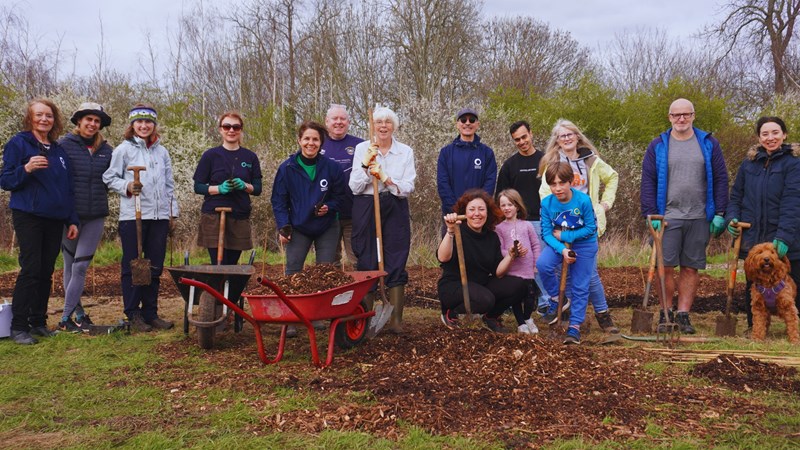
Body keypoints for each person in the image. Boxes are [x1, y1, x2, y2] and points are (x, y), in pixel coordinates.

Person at [641, 98, 729, 334]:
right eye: (676, 115)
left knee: (690, 268)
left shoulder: (708, 143)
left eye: (686, 114)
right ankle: (665, 313)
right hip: (667, 217)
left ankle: (683, 315)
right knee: (665, 268)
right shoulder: (658, 145)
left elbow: (721, 178)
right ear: (669, 117)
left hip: (699, 216)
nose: (681, 118)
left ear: (693, 115)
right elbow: (648, 181)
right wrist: (651, 214)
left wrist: (720, 212)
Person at [1, 99, 79, 345]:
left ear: (54, 120)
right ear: (30, 118)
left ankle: (38, 322)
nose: (44, 119)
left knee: (46, 270)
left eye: (49, 115)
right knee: (31, 268)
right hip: (29, 215)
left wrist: (72, 219)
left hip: (54, 217)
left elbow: (67, 189)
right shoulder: (19, 143)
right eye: (39, 115)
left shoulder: (58, 150)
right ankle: (18, 326)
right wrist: (26, 168)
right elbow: (6, 180)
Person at [103, 104, 179, 332]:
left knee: (154, 266)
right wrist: (127, 185)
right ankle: (133, 313)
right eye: (139, 122)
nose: (144, 126)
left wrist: (172, 212)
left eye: (148, 122)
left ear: (154, 125)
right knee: (134, 265)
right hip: (133, 215)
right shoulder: (123, 150)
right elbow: (109, 177)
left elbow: (169, 184)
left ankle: (150, 313)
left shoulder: (162, 152)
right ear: (132, 124)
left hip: (159, 216)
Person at [539, 119, 620, 334]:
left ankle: (602, 315)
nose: (566, 139)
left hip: (586, 223)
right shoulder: (553, 162)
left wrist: (604, 204)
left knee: (588, 273)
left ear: (577, 136)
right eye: (562, 136)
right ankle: (572, 316)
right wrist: (557, 215)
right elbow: (545, 193)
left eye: (570, 134)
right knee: (564, 271)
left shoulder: (591, 160)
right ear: (557, 140)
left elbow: (612, 177)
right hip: (562, 225)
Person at [726, 116, 800, 329]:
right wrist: (732, 218)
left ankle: (794, 330)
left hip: (787, 236)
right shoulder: (749, 164)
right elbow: (736, 196)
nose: (770, 138)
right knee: (754, 282)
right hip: (754, 237)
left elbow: (793, 201)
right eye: (765, 134)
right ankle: (755, 328)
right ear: (759, 137)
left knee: (793, 282)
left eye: (775, 132)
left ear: (784, 134)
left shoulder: (794, 163)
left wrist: (784, 236)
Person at [350, 106, 416, 333]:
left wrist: (386, 178)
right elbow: (354, 187)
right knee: (367, 257)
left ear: (394, 126)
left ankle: (396, 320)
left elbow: (407, 187)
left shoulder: (405, 151)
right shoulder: (362, 148)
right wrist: (366, 166)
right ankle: (365, 318)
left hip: (395, 204)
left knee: (396, 255)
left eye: (388, 122)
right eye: (379, 122)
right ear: (372, 126)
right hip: (366, 205)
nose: (383, 126)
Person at [57, 102, 114, 332]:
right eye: (88, 119)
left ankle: (65, 318)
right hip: (70, 217)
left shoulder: (107, 151)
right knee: (69, 266)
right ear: (79, 121)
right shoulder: (64, 146)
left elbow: (112, 179)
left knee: (80, 267)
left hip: (95, 215)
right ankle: (77, 315)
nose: (92, 124)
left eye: (96, 121)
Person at [438, 189, 526, 333]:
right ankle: (451, 314)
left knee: (520, 285)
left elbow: (498, 272)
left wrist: (510, 256)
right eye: (472, 209)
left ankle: (490, 317)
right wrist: (450, 231)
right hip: (454, 286)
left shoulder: (491, 237)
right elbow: (443, 257)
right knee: (486, 299)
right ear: (464, 213)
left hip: (480, 285)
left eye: (481, 209)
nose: (477, 213)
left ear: (487, 212)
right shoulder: (457, 231)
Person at [536, 163, 598, 345]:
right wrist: (562, 249)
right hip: (559, 245)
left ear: (571, 181)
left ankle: (574, 327)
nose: (558, 188)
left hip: (584, 245)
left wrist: (566, 236)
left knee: (580, 285)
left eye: (562, 183)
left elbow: (591, 228)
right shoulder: (547, 203)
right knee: (543, 265)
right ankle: (557, 299)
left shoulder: (583, 200)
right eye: (553, 184)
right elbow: (546, 233)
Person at [193, 111, 262, 265]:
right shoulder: (210, 155)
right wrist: (219, 188)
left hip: (239, 216)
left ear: (241, 130)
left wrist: (245, 186)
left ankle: (230, 282)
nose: (231, 130)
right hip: (213, 216)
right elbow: (198, 187)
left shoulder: (250, 157)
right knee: (218, 264)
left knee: (231, 265)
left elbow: (258, 189)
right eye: (227, 126)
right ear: (220, 129)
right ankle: (217, 282)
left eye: (236, 127)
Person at [496, 120, 548, 314]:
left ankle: (545, 302)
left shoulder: (545, 160)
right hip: (517, 222)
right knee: (518, 262)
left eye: (524, 137)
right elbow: (500, 195)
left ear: (531, 134)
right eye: (517, 139)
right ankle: (514, 300)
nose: (522, 142)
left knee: (540, 262)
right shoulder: (510, 165)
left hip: (542, 220)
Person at [437, 107, 497, 226]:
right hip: (453, 216)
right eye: (463, 120)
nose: (467, 123)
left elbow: (490, 182)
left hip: (478, 217)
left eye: (472, 120)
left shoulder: (487, 153)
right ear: (457, 124)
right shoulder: (446, 152)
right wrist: (455, 209)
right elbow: (443, 183)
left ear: (477, 124)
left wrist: (476, 209)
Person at [321, 104, 363, 269]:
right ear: (327, 121)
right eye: (335, 118)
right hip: (327, 215)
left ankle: (361, 286)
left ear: (348, 122)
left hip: (354, 213)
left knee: (357, 258)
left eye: (343, 119)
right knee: (329, 262)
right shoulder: (317, 143)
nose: (339, 122)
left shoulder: (360, 145)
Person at [495, 188, 542, 334]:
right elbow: (500, 249)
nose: (506, 208)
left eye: (510, 204)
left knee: (530, 295)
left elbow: (535, 245)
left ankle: (527, 317)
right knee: (516, 297)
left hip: (527, 268)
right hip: (512, 270)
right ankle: (521, 323)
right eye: (503, 205)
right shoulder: (499, 228)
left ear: (517, 206)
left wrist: (536, 263)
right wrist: (511, 254)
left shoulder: (527, 225)